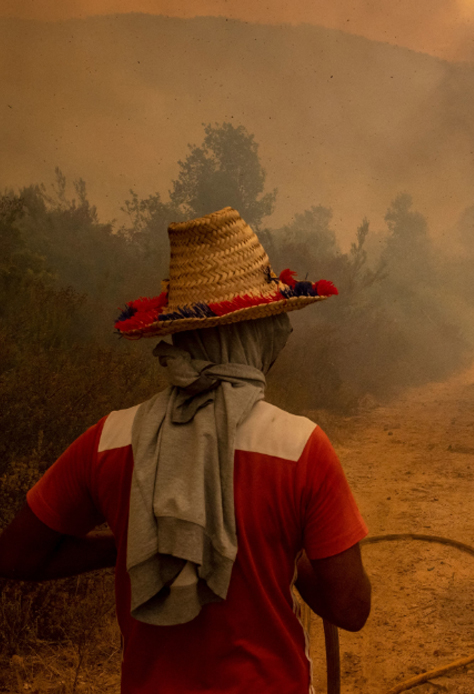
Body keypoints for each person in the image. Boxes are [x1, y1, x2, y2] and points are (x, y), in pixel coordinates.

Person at [0, 206, 371, 693]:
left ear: (180, 332)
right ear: (256, 331)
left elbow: (16, 556)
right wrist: (290, 557)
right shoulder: (301, 448)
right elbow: (350, 608)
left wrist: (139, 543)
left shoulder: (108, 439)